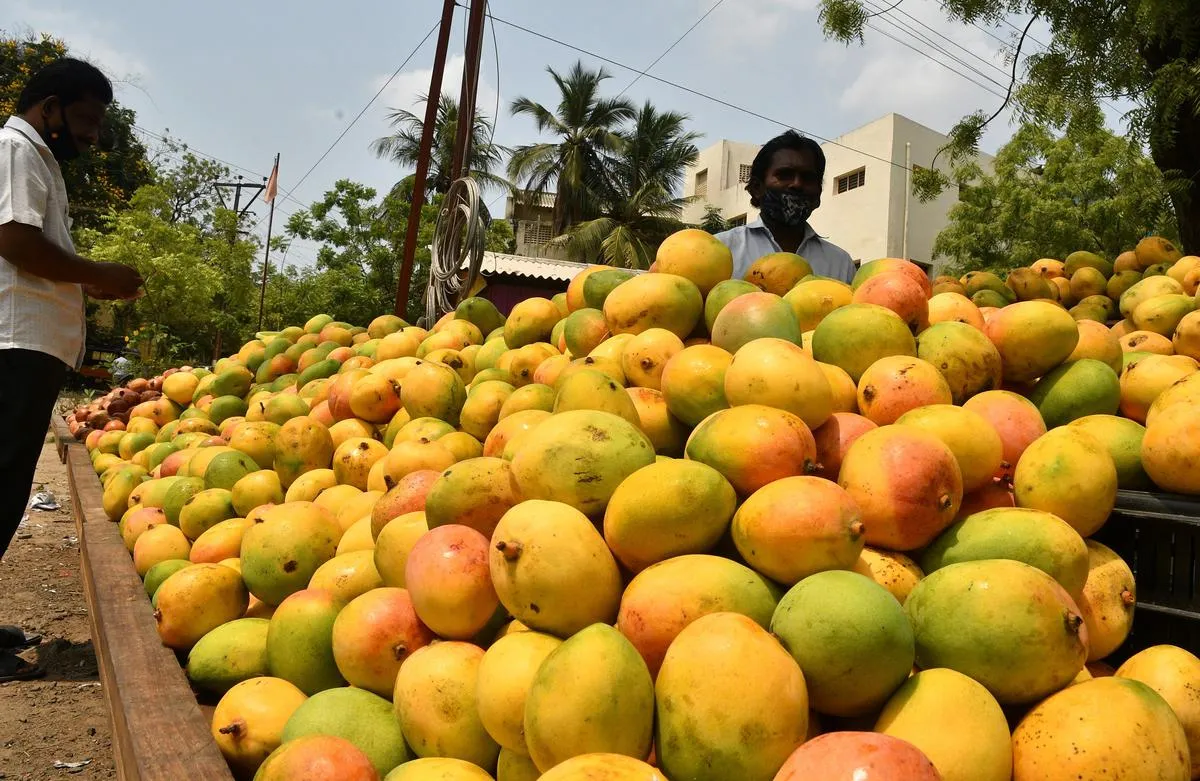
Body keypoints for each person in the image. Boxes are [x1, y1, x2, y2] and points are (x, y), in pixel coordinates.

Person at [0, 58, 143, 681]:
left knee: (7, 487)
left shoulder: (37, 157)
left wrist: (90, 286)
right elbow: (15, 240)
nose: (92, 136)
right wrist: (98, 274)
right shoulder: (14, 148)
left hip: (29, 349)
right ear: (50, 107)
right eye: (85, 120)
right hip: (11, 345)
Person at [715, 130, 857, 284]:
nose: (797, 184)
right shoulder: (724, 250)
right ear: (757, 188)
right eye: (784, 175)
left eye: (808, 178)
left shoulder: (840, 264)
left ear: (818, 194)